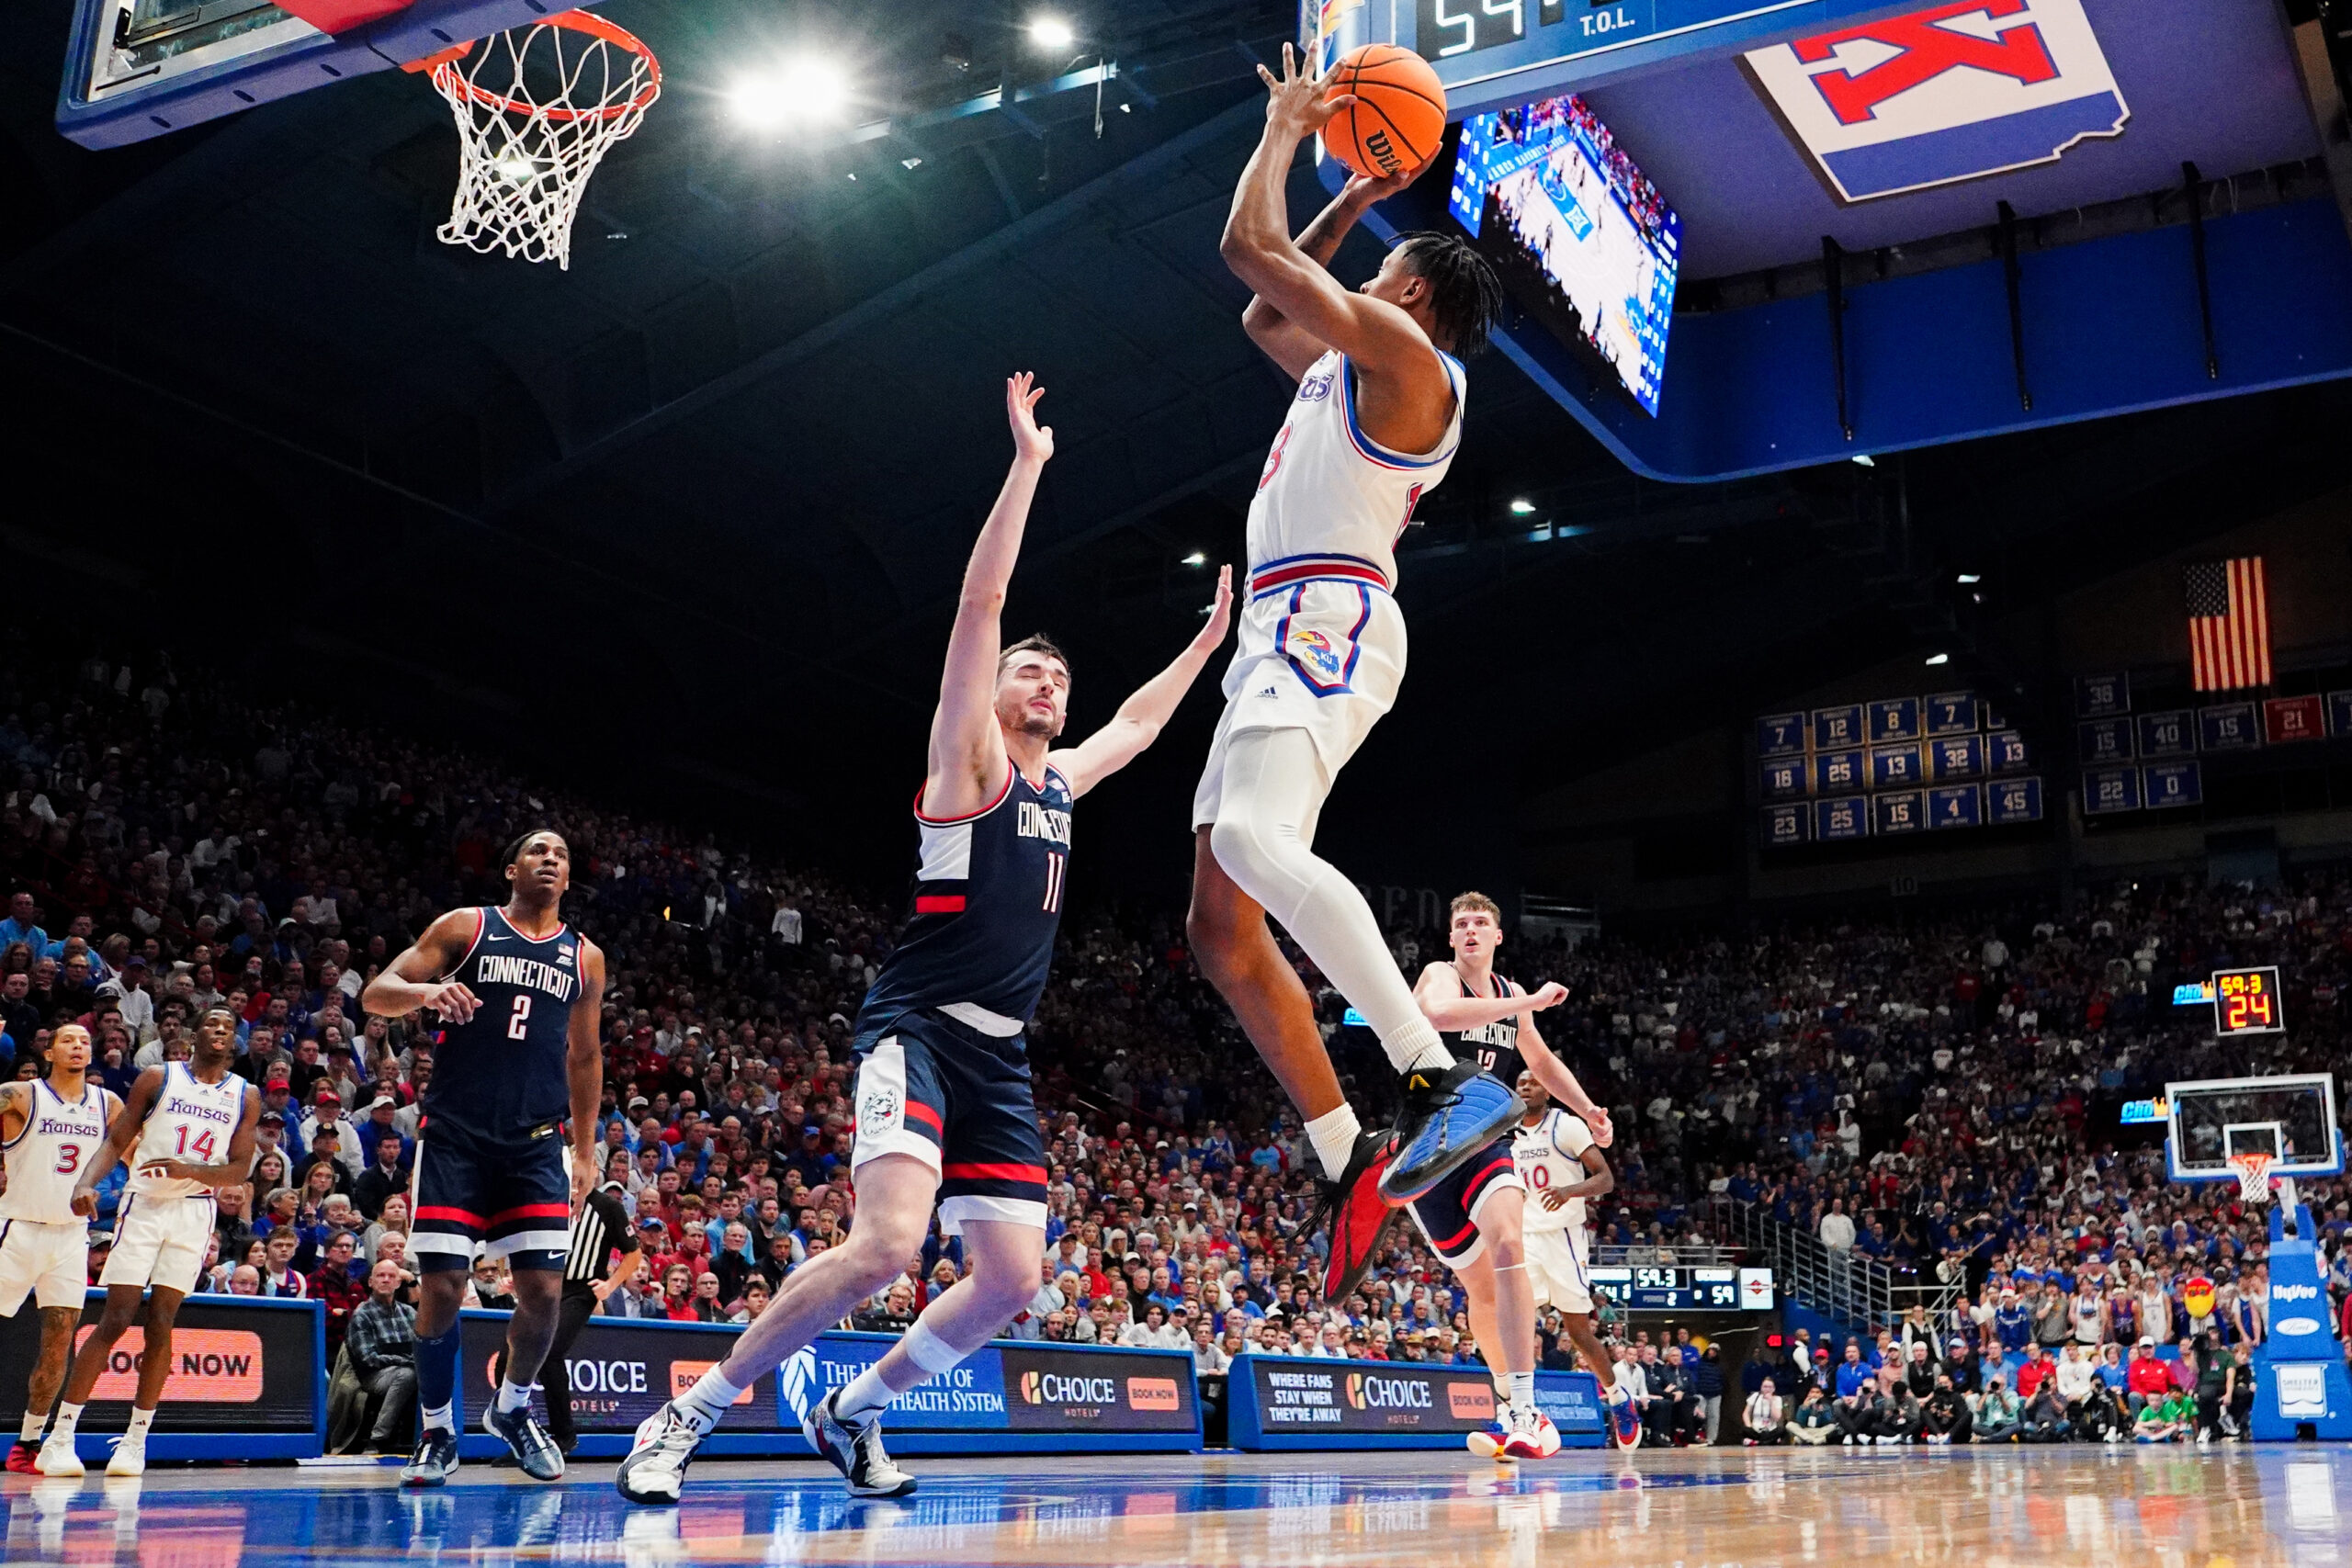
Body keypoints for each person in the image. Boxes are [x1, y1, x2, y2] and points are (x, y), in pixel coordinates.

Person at [614, 375, 1233, 1505]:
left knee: (1010, 1281)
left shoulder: (1063, 785)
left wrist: (1209, 642)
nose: (1045, 681)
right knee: (888, 1244)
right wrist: (1030, 467)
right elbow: (977, 603)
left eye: (1058, 676)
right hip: (919, 1032)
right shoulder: (971, 765)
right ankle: (690, 1410)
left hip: (1001, 1054)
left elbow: (1138, 729)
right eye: (1027, 671)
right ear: (992, 695)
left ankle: (855, 1411)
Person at [1183, 41, 1515, 1304]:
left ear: (1414, 299)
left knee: (1262, 843)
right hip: (1285, 621)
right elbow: (1271, 309)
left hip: (1324, 617)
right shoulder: (1349, 359)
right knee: (1219, 924)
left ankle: (1438, 1071)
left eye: (1376, 270)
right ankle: (1348, 1153)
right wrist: (1354, 200)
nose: (1357, 278)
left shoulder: (1414, 361)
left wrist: (1281, 132)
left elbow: (1247, 258)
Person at [361, 829, 609, 1485]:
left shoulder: (585, 957)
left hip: (534, 1140)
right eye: (537, 850)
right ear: (511, 868)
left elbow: (585, 1056)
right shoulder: (467, 927)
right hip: (457, 1135)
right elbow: (376, 991)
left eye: (561, 853)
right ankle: (440, 1430)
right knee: (442, 1288)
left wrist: (585, 1150)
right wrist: (423, 993)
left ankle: (512, 1408)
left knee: (545, 1291)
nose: (551, 859)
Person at [1403, 894, 1610, 1460]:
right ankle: (1507, 1404)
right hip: (1428, 1145)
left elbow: (1539, 1062)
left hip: (1489, 1138)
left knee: (1509, 1245)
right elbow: (1440, 1017)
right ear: (1451, 939)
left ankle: (1525, 1408)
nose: (1470, 930)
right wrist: (1531, 1002)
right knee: (1480, 1290)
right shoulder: (1438, 975)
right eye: (1461, 924)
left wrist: (1589, 1110)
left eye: (1481, 924)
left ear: (1498, 937)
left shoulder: (1513, 994)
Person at [37, 1007, 257, 1478]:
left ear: (235, 1040)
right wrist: (85, 1182)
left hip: (195, 1210)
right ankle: (60, 1436)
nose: (220, 1031)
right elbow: (117, 1140)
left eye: (229, 1027)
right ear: (194, 1033)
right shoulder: (159, 1077)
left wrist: (190, 1171)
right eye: (212, 1024)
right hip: (144, 1205)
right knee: (115, 1318)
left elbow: (239, 1169)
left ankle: (136, 1440)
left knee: (162, 1322)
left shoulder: (245, 1094)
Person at [0, 1024, 119, 1473]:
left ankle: (28, 1444)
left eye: (85, 1041)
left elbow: (137, 1152)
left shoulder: (107, 1104)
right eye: (68, 1040)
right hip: (16, 1227)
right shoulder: (20, 1094)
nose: (78, 1047)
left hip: (70, 1236)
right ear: (48, 1051)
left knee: (58, 1342)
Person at [1511, 1068, 1638, 1447]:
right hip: (1524, 1236)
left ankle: (1618, 1398)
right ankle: (1517, 1414)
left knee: (1579, 1333)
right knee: (1518, 1323)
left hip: (1565, 1237)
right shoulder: (1505, 1132)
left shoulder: (1565, 1126)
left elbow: (1605, 1178)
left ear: (1548, 1091)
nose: (1525, 1085)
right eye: (1520, 1081)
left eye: (1534, 1080)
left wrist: (1568, 1190)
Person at [532, 1179, 644, 1455]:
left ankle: (563, 1436)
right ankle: (524, 1436)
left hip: (581, 1289)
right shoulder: (549, 1197)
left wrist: (610, 1284)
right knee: (509, 1358)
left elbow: (634, 1252)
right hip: (545, 1285)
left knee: (550, 1351)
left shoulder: (608, 1207)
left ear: (594, 1171)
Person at [345, 1258, 419, 1455]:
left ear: (398, 1283)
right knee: (408, 1374)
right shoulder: (362, 1314)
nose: (386, 1280)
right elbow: (367, 1359)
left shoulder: (410, 1312)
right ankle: (377, 1438)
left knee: (428, 1373)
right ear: (371, 1282)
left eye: (391, 1276)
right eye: (380, 1275)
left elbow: (420, 1349)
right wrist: (404, 1360)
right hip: (372, 1376)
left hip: (406, 1368)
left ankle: (431, 1436)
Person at [1741, 1378, 1788, 1445]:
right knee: (1745, 1430)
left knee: (1782, 1430)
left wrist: (1771, 1401)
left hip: (1770, 1430)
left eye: (1770, 1387)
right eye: (1765, 1387)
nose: (1767, 1389)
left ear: (1773, 1389)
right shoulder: (1755, 1396)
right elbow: (1745, 1414)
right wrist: (1749, 1426)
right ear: (1761, 1388)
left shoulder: (1777, 1399)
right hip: (1756, 1430)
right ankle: (1770, 1442)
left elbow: (1777, 1418)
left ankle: (1758, 1442)